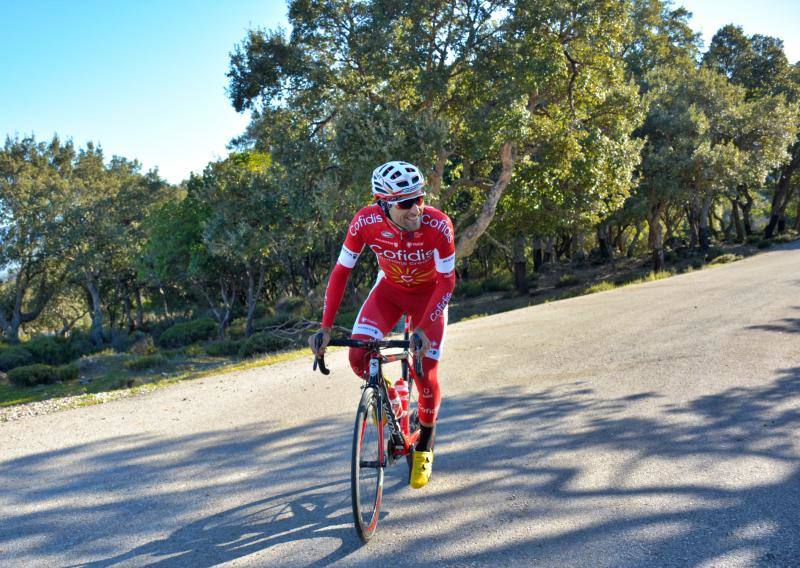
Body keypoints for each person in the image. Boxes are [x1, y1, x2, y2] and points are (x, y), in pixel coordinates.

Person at [309, 160, 456, 489]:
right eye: (406, 203)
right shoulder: (365, 222)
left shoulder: (439, 225)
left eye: (420, 199)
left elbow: (447, 282)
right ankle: (393, 392)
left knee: (426, 374)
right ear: (384, 204)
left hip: (428, 299)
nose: (416, 209)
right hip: (388, 292)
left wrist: (423, 327)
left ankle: (425, 446)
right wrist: (326, 326)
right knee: (358, 358)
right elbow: (341, 272)